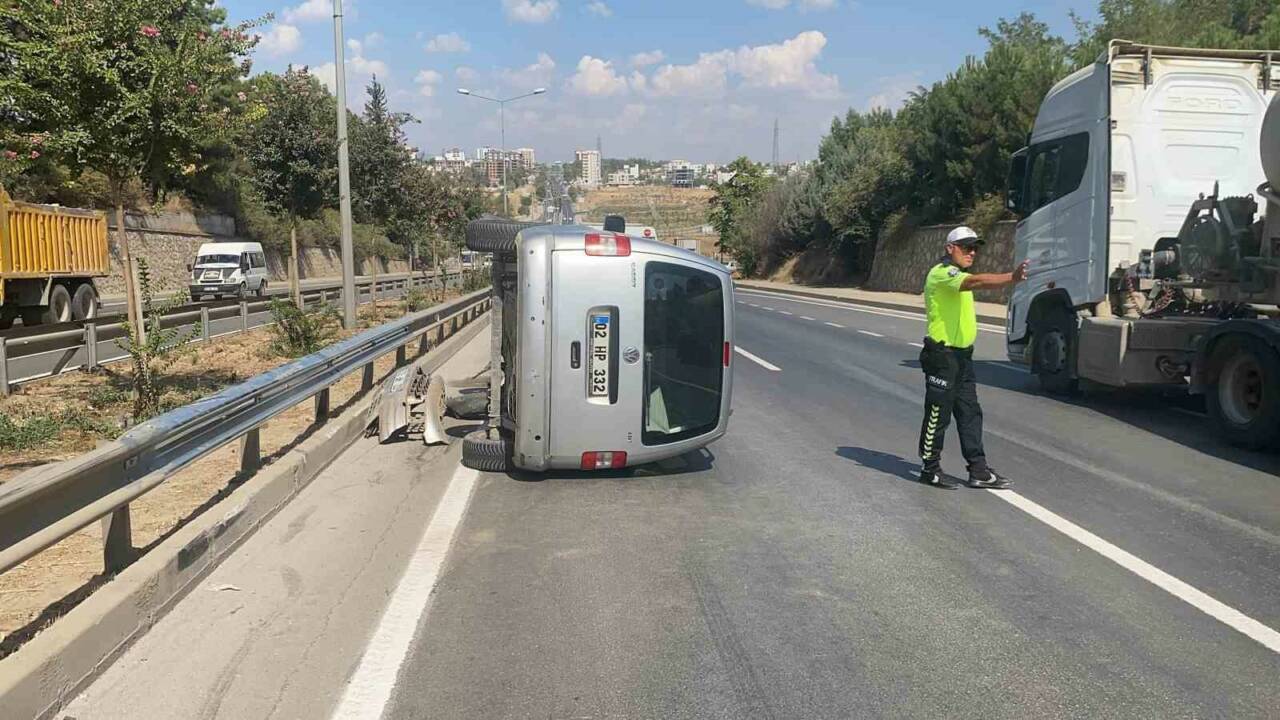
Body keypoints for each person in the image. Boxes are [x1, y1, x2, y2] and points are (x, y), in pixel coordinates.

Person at [917, 226, 1028, 490]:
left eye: (975, 248)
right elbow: (975, 282)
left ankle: (978, 470)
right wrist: (1011, 277)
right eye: (966, 247)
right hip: (942, 355)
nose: (972, 252)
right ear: (950, 249)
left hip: (963, 357)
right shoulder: (943, 274)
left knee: (970, 413)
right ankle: (929, 468)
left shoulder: (959, 274)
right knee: (937, 414)